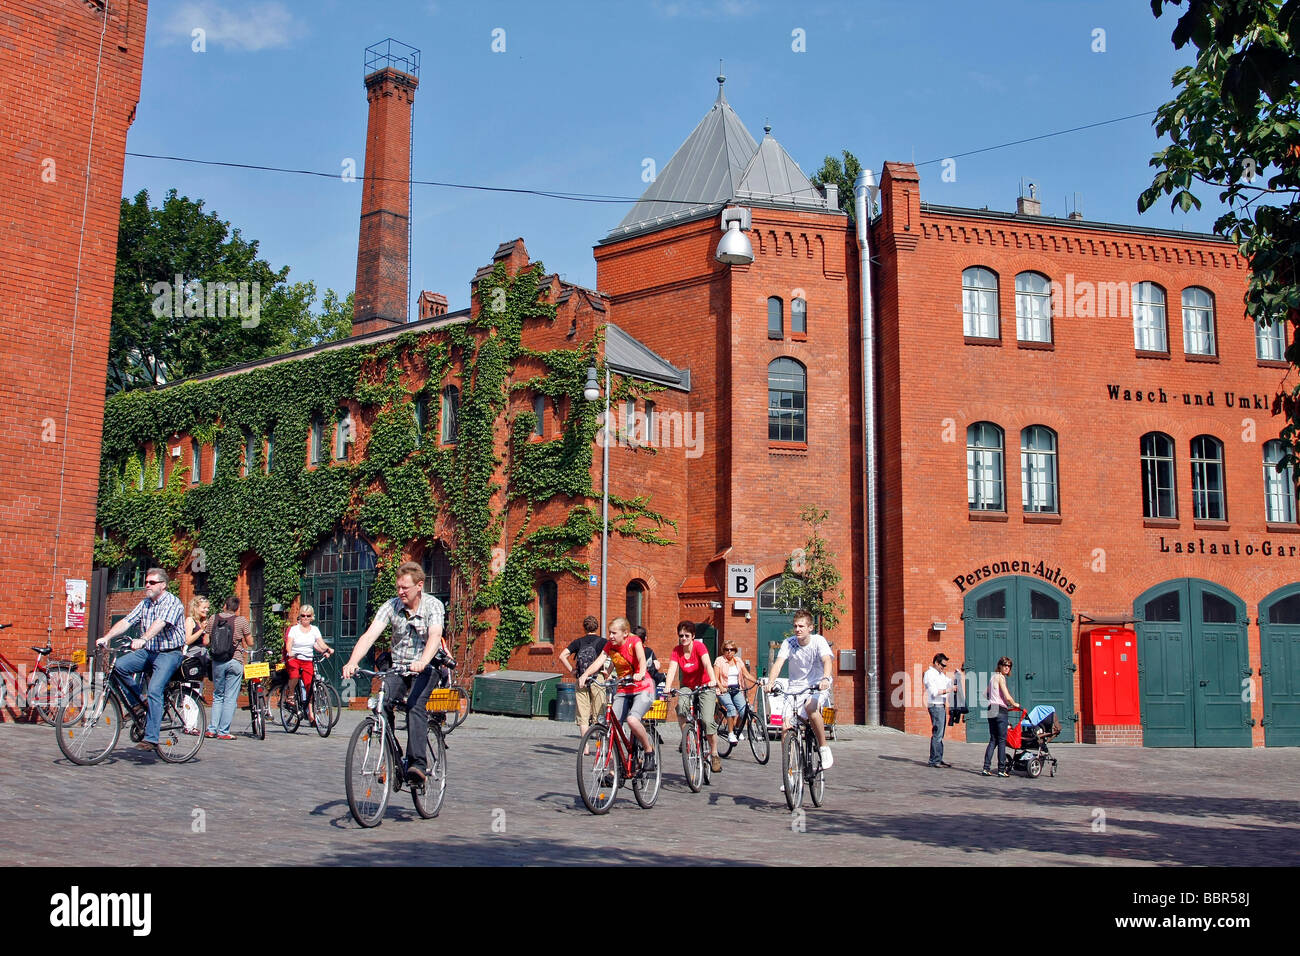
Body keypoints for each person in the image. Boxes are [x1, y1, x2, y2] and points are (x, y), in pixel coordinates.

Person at [342, 561, 444, 786]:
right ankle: (391, 759)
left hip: (427, 666)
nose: (400, 592)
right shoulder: (391, 606)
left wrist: (422, 661)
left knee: (415, 705)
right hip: (398, 666)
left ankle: (417, 764)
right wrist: (352, 661)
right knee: (383, 702)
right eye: (398, 587)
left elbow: (435, 636)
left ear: (419, 585)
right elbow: (369, 636)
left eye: (404, 588)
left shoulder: (433, 606)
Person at [95, 568, 187, 754]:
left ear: (163, 585)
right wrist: (107, 637)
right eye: (146, 582)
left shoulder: (172, 602)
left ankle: (151, 738)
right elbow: (127, 621)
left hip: (169, 653)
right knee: (119, 667)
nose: (147, 585)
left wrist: (144, 639)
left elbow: (159, 623)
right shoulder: (145, 603)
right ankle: (138, 705)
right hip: (150, 652)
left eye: (152, 582)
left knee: (154, 689)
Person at [577, 617, 656, 771]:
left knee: (632, 720)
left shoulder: (634, 641)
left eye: (614, 633)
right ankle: (614, 770)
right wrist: (585, 675)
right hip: (623, 688)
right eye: (609, 633)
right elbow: (599, 661)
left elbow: (641, 658)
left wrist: (640, 673)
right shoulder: (609, 646)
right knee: (610, 727)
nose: (610, 636)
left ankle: (648, 750)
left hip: (643, 687)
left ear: (625, 633)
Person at [761, 609, 834, 770]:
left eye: (801, 626)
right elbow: (778, 663)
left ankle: (823, 747)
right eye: (795, 626)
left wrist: (825, 678)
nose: (797, 629)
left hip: (816, 684)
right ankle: (790, 772)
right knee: (786, 727)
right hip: (795, 688)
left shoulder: (818, 641)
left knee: (810, 707)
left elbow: (827, 660)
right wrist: (770, 682)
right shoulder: (789, 643)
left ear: (810, 628)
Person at [663, 621, 722, 774]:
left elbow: (708, 664)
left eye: (687, 635)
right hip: (687, 686)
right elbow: (672, 669)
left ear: (693, 636)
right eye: (681, 635)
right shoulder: (677, 651)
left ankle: (714, 753)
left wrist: (713, 680)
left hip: (705, 685)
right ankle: (687, 736)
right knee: (681, 707)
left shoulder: (699, 647)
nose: (683, 638)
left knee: (708, 721)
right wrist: (667, 687)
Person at [205, 596, 253, 739]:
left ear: (225, 605)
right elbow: (250, 642)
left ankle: (212, 729)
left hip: (218, 662)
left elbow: (206, 640)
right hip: (235, 660)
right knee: (230, 697)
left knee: (218, 695)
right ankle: (223, 731)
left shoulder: (213, 619)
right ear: (237, 608)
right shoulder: (241, 621)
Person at [560, 615, 607, 751]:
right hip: (597, 679)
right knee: (599, 713)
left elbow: (562, 655)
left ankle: (585, 747)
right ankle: (599, 747)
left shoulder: (578, 642)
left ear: (584, 627)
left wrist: (572, 670)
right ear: (597, 627)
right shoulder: (603, 642)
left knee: (583, 714)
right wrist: (607, 672)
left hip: (581, 679)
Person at [282, 603, 332, 727]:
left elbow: (320, 643)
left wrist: (327, 650)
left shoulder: (314, 629)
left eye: (308, 616)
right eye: (303, 615)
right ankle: (291, 694)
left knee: (310, 686)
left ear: (312, 617)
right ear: (300, 616)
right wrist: (290, 652)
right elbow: (289, 644)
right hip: (295, 657)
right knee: (294, 674)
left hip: (307, 659)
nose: (305, 618)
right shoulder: (294, 629)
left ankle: (310, 713)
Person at [982, 656, 1021, 777]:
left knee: (993, 739)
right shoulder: (1000, 678)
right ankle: (1001, 769)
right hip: (1000, 710)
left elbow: (985, 694)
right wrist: (1015, 704)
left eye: (1009, 666)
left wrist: (994, 698)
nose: (1007, 668)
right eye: (1005, 665)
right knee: (1002, 740)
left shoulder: (992, 677)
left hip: (991, 708)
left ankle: (986, 768)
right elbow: (1007, 696)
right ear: (1000, 666)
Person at [923, 652, 961, 768]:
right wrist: (949, 690)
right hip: (935, 705)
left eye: (945, 666)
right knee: (937, 733)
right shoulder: (930, 674)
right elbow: (934, 692)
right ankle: (934, 760)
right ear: (936, 662)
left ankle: (938, 758)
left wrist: (956, 676)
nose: (943, 668)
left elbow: (948, 682)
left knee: (940, 733)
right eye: (942, 665)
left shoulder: (940, 674)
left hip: (941, 705)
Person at [715, 641, 756, 744]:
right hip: (724, 690)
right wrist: (721, 687)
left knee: (744, 712)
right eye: (726, 649)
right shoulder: (719, 661)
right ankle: (730, 733)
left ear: (735, 651)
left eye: (731, 649)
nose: (729, 652)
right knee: (732, 709)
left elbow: (746, 675)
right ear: (723, 650)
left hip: (737, 689)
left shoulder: (738, 660)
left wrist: (757, 681)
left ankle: (737, 729)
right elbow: (715, 678)